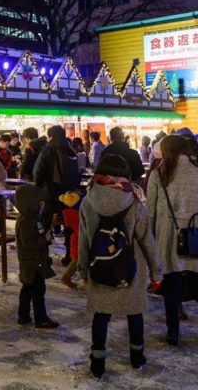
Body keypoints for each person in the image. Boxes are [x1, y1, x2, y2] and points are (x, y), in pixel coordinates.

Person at [78, 155, 161, 380]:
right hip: (131, 269)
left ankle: (97, 363)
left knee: (101, 315)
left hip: (100, 266)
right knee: (134, 314)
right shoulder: (134, 201)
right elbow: (147, 240)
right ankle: (137, 357)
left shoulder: (88, 201)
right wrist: (156, 272)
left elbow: (84, 240)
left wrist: (83, 270)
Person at [146, 135, 198, 347]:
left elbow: (150, 211)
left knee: (172, 284)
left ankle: (173, 333)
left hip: (169, 234)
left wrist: (150, 238)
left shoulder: (159, 174)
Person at [15, 182, 60, 331]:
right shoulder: (26, 220)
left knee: (28, 288)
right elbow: (29, 242)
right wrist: (44, 239)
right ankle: (41, 320)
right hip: (33, 261)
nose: (41, 205)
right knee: (38, 290)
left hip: (34, 259)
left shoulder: (32, 218)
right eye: (38, 202)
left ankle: (24, 316)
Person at [34, 125, 82, 246]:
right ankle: (69, 254)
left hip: (50, 194)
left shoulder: (47, 150)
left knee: (44, 225)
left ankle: (44, 255)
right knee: (69, 223)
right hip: (68, 195)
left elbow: (37, 172)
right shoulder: (70, 150)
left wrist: (38, 188)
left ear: (50, 136)